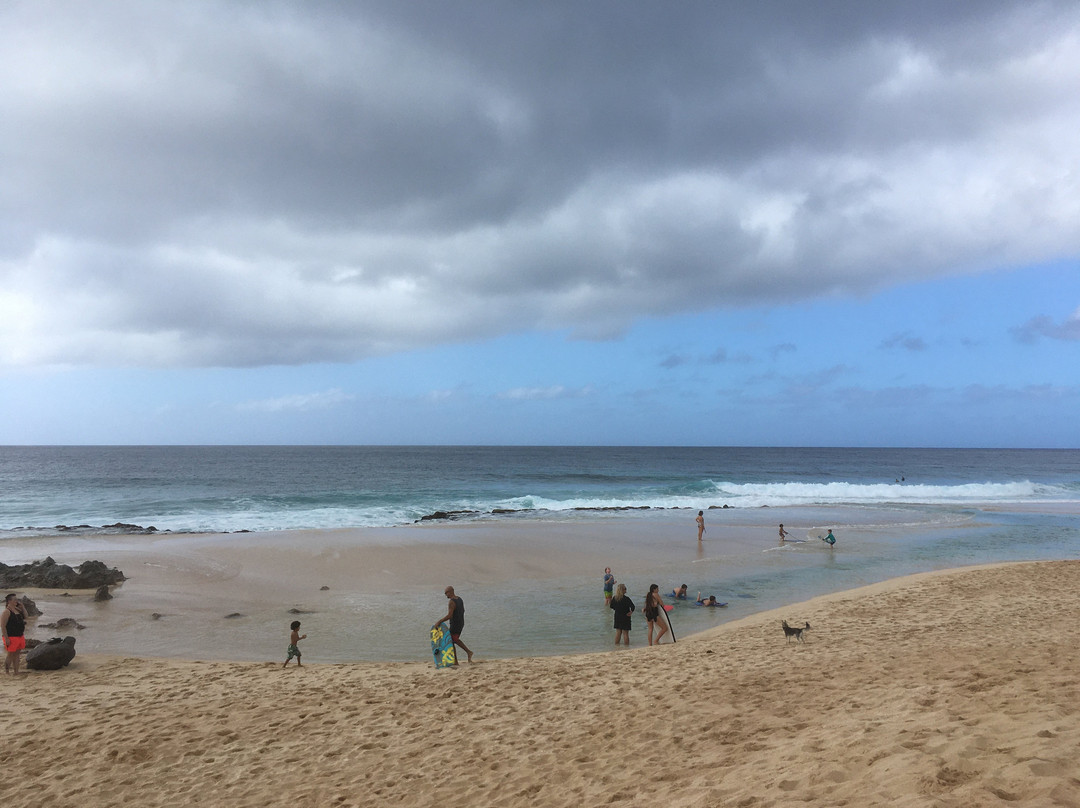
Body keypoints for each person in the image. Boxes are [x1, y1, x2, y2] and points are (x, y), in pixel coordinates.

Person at [435, 585, 473, 663]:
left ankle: (468, 652)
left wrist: (439, 621)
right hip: (461, 623)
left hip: (455, 624)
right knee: (452, 640)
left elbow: (450, 615)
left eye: (446, 593)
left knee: (452, 640)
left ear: (451, 591)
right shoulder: (460, 599)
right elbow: (463, 610)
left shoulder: (451, 602)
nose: (446, 595)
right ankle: (456, 660)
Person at [3, 594, 28, 675]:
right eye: (14, 600)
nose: (16, 601)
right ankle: (7, 672)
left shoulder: (17, 610)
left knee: (17, 654)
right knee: (10, 654)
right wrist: (6, 638)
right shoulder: (6, 612)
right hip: (11, 636)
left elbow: (26, 616)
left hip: (20, 635)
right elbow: (2, 626)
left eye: (16, 599)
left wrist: (23, 607)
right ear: (9, 601)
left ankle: (16, 672)